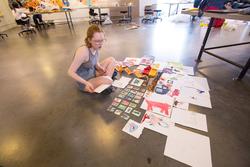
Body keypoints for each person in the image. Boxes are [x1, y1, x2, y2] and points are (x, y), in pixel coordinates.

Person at [68, 25, 116, 93]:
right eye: (97, 41)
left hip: (93, 73)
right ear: (89, 40)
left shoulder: (96, 47)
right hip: (86, 81)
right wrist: (86, 83)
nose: (100, 44)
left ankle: (104, 83)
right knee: (109, 80)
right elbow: (70, 72)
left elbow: (95, 63)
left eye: (102, 40)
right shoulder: (83, 51)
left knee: (112, 60)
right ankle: (105, 82)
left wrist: (100, 68)